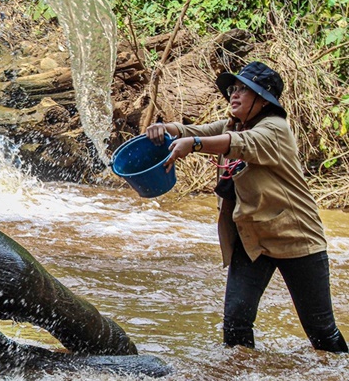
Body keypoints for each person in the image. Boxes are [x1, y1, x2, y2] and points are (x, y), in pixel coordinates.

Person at [145, 61, 347, 353]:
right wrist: (168, 128)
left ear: (263, 100)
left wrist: (196, 144)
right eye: (233, 89)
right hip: (252, 239)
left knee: (321, 332)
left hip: (296, 238)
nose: (234, 95)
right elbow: (194, 130)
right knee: (236, 324)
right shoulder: (233, 123)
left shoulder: (274, 129)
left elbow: (237, 143)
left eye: (244, 90)